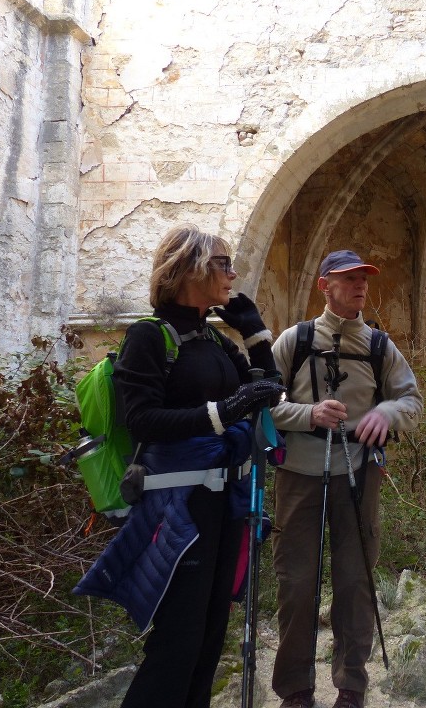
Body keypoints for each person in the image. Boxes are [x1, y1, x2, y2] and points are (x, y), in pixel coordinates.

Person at [74, 224, 283, 708]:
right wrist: (224, 411)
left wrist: (254, 333)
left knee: (211, 636)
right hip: (176, 508)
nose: (233, 274)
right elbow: (143, 416)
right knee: (178, 641)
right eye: (223, 264)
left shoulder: (212, 341)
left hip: (224, 505)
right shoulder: (150, 336)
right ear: (189, 268)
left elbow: (269, 391)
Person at [270, 250, 423, 708]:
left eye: (364, 280)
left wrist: (386, 411)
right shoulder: (293, 342)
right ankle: (295, 690)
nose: (360, 286)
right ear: (324, 286)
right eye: (348, 278)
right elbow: (261, 403)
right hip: (298, 474)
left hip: (358, 473)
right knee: (296, 583)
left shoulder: (379, 347)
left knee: (355, 583)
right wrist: (308, 413)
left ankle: (351, 687)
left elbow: (412, 401)